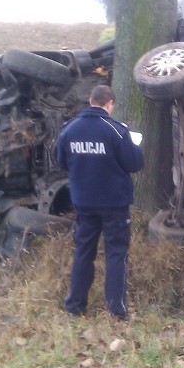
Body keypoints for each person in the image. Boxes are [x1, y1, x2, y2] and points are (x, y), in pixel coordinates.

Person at [56, 85, 144, 319]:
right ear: (110, 104)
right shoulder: (116, 131)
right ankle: (116, 309)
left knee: (83, 251)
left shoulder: (69, 129)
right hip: (114, 204)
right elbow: (135, 163)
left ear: (90, 100)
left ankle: (75, 306)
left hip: (84, 203)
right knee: (116, 253)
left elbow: (61, 161)